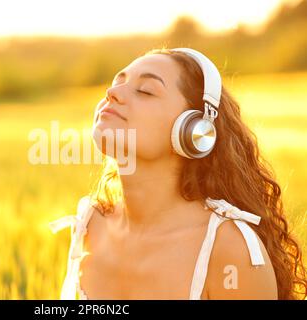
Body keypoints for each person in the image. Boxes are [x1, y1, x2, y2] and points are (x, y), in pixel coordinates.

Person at [49, 48, 307, 300]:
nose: (112, 93)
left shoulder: (229, 249)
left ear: (194, 131)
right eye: (117, 83)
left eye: (145, 91)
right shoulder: (91, 224)